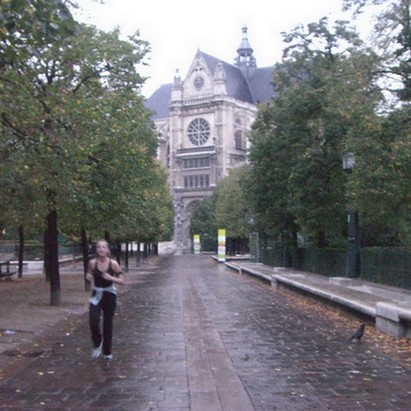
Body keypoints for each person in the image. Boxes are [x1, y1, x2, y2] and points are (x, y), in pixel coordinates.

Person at [86, 239, 124, 360]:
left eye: (103, 247)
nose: (101, 250)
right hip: (96, 294)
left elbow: (122, 281)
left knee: (108, 323)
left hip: (109, 295)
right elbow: (89, 274)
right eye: (98, 247)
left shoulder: (113, 264)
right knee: (93, 320)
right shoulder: (92, 263)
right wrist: (88, 276)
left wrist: (111, 277)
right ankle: (97, 343)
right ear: (96, 250)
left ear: (107, 250)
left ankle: (107, 351)